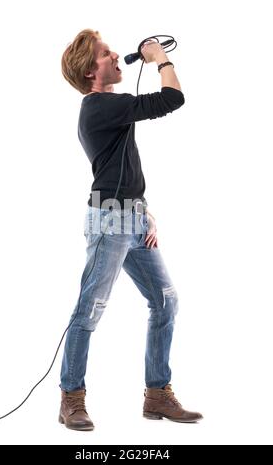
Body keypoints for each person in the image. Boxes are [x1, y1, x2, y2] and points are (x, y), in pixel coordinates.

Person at [59, 29, 203, 431]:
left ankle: (157, 395)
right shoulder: (100, 106)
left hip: (132, 217)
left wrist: (143, 210)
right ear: (91, 71)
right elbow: (173, 98)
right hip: (109, 220)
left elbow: (119, 168)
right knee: (89, 310)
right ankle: (71, 397)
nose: (115, 57)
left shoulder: (110, 107)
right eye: (106, 55)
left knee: (165, 300)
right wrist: (160, 59)